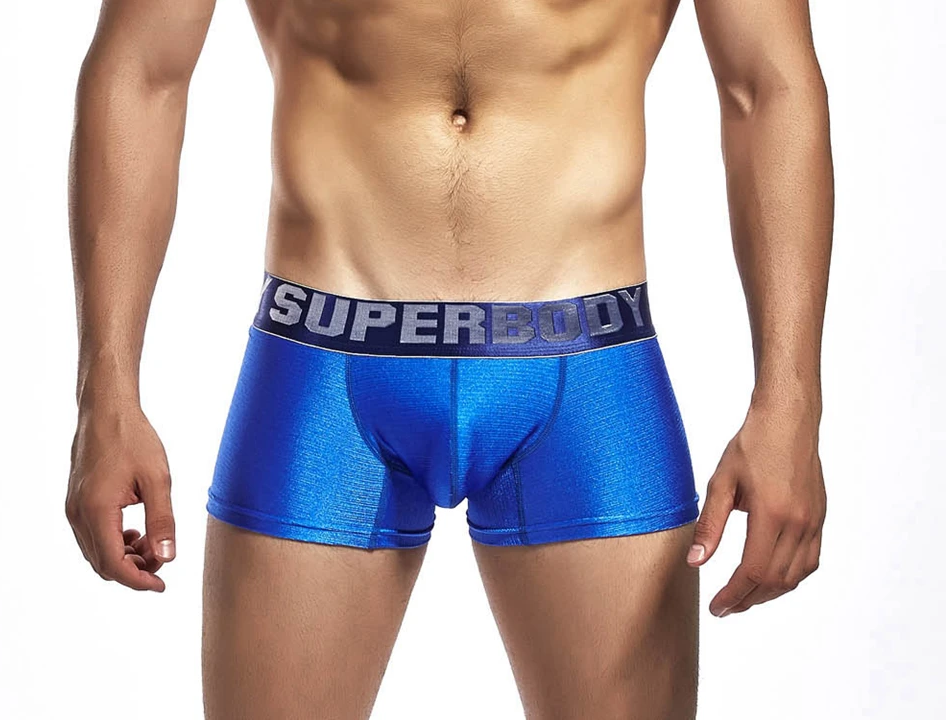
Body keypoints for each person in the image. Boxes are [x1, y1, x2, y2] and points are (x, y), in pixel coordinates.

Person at [64, 0, 833, 717]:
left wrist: (791, 407)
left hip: (590, 370)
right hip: (324, 368)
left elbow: (766, 85)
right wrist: (107, 394)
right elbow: (142, 72)